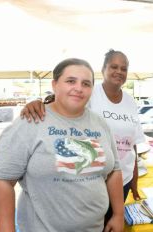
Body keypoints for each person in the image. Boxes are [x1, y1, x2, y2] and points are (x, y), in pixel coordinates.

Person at [0, 58, 124, 232]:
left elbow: (114, 170)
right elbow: (3, 181)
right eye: (70, 81)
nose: (78, 88)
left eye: (86, 83)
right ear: (54, 85)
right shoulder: (31, 122)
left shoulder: (100, 123)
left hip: (94, 231)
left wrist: (118, 214)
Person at [20, 50, 145, 218]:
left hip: (123, 179)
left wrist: (134, 180)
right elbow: (60, 103)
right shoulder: (89, 92)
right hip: (92, 180)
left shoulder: (130, 102)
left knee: (112, 225)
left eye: (124, 68)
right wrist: (38, 103)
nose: (119, 72)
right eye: (114, 66)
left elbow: (133, 144)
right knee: (88, 225)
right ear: (103, 69)